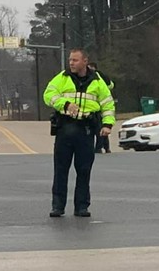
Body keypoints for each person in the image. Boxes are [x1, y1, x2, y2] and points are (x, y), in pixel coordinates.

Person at [43, 48, 116, 218]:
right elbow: (48, 95)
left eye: (75, 60)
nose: (71, 63)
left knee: (84, 170)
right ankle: (58, 206)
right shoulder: (62, 78)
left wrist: (107, 125)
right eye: (70, 60)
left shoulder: (97, 82)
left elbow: (108, 104)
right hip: (65, 128)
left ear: (85, 61)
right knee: (61, 169)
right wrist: (65, 104)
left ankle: (82, 206)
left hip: (86, 129)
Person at [88, 61, 114, 154]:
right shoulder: (100, 76)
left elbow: (109, 85)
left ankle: (98, 148)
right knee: (103, 128)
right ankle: (106, 148)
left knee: (98, 128)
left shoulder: (97, 76)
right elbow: (111, 85)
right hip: (99, 105)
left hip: (99, 106)